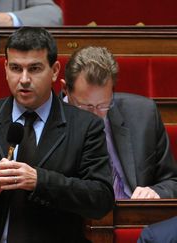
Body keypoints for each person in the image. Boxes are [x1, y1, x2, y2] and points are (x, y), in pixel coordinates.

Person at [0, 27, 114, 243]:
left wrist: (40, 181)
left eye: (35, 68)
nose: (24, 79)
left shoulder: (85, 126)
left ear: (55, 70)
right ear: (6, 68)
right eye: (16, 68)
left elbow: (101, 198)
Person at [61, 46, 177, 199]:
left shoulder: (143, 114)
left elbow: (171, 181)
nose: (95, 115)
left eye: (103, 105)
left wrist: (156, 192)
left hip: (137, 215)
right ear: (65, 90)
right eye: (86, 106)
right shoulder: (48, 121)